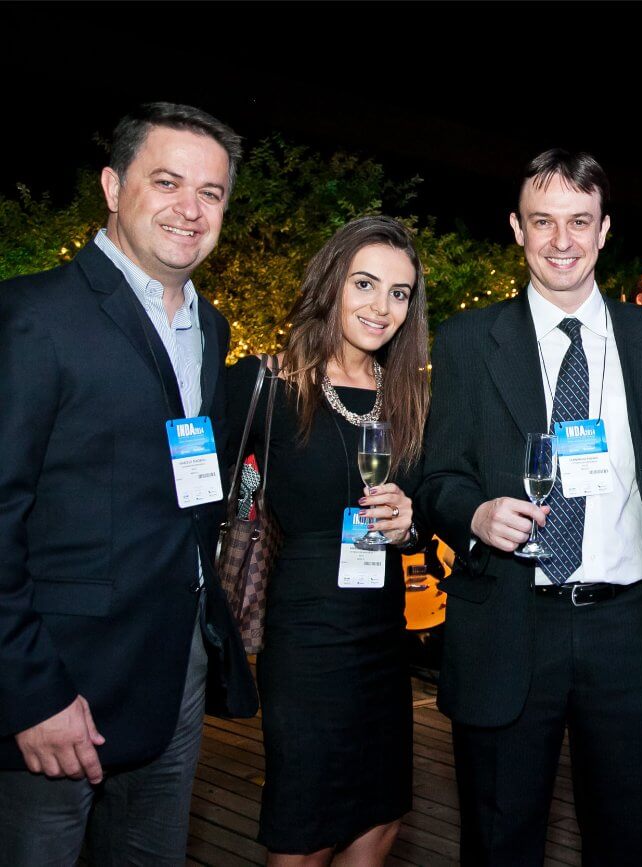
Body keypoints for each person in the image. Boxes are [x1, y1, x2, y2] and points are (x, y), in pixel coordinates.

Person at [414, 148, 642, 866]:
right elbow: (438, 477)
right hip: (509, 621)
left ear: (604, 229)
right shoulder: (468, 341)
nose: (562, 240)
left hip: (628, 631)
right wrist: (474, 514)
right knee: (500, 841)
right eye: (543, 221)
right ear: (517, 228)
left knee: (627, 842)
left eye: (579, 221)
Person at [0, 102, 255, 864]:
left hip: (173, 678)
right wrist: (30, 692)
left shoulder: (210, 328)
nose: (190, 209)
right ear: (113, 186)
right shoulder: (34, 316)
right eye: (167, 182)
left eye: (210, 192)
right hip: (58, 693)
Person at [225, 216, 429, 864]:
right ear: (331, 282)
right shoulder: (267, 384)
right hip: (307, 641)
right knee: (305, 834)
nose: (381, 307)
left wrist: (410, 522)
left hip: (384, 634)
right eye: (365, 284)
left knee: (381, 821)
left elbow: (428, 510)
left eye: (399, 292)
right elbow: (201, 492)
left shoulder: (410, 397)